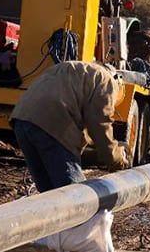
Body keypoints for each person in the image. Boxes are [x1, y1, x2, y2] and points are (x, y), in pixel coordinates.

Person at [10, 61, 131, 191]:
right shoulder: (106, 79)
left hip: (21, 119)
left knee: (48, 194)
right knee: (74, 196)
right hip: (53, 123)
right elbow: (99, 124)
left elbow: (83, 128)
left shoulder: (72, 69)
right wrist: (116, 159)